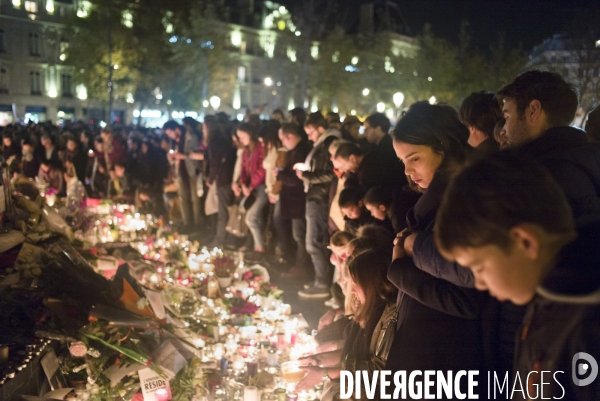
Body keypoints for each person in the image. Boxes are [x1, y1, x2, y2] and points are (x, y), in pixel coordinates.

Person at [435, 152, 600, 400]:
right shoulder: (550, 297)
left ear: (525, 242)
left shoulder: (587, 326)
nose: (479, 283)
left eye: (479, 267)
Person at [385, 102, 486, 390]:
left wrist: (401, 269)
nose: (407, 170)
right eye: (402, 161)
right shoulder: (434, 202)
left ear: (443, 146)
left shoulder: (462, 201)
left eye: (414, 158)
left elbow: (468, 301)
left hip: (444, 361)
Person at [497, 70, 600, 219]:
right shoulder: (585, 161)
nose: (502, 130)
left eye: (507, 117)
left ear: (533, 110)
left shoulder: (537, 181)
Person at [296, 250, 398, 398]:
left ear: (372, 283)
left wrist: (324, 373)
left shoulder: (389, 316)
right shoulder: (370, 310)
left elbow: (378, 369)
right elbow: (352, 353)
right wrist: (318, 360)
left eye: (356, 283)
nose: (352, 289)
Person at [297, 113, 341, 298]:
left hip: (320, 198)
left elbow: (328, 173)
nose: (308, 137)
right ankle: (320, 280)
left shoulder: (328, 143)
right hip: (317, 196)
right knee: (315, 241)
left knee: (314, 241)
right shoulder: (324, 143)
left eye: (310, 132)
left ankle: (322, 283)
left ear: (320, 129)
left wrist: (305, 176)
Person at [277, 123, 312, 279]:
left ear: (289, 136)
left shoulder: (300, 151)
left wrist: (280, 175)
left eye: (283, 139)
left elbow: (295, 179)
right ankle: (298, 264)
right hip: (294, 201)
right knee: (298, 234)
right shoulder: (297, 150)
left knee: (300, 235)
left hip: (297, 201)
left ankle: (301, 266)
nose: (282, 143)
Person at [233, 122, 268, 262]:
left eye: (242, 136)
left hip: (261, 187)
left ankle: (260, 248)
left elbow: (262, 168)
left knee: (251, 217)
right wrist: (243, 184)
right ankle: (256, 247)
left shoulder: (260, 148)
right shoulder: (246, 151)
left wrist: (251, 185)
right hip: (251, 189)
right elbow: (243, 169)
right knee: (253, 217)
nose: (241, 140)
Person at [163, 120, 203, 228]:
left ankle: (197, 224)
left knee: (195, 199)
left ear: (176, 129)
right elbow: (175, 155)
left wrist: (183, 156)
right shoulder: (174, 141)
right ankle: (187, 223)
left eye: (170, 133)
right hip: (180, 171)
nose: (169, 136)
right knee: (183, 198)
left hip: (192, 170)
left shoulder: (191, 136)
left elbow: (197, 154)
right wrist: (171, 158)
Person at [206, 116, 237, 248]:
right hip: (231, 177)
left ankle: (220, 240)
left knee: (222, 212)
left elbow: (215, 163)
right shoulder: (228, 140)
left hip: (223, 179)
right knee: (228, 210)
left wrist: (211, 178)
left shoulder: (214, 142)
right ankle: (229, 238)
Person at [334, 142, 404, 191]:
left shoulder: (368, 173)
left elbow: (364, 196)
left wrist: (348, 182)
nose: (345, 170)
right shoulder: (373, 156)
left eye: (343, 166)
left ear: (353, 158)